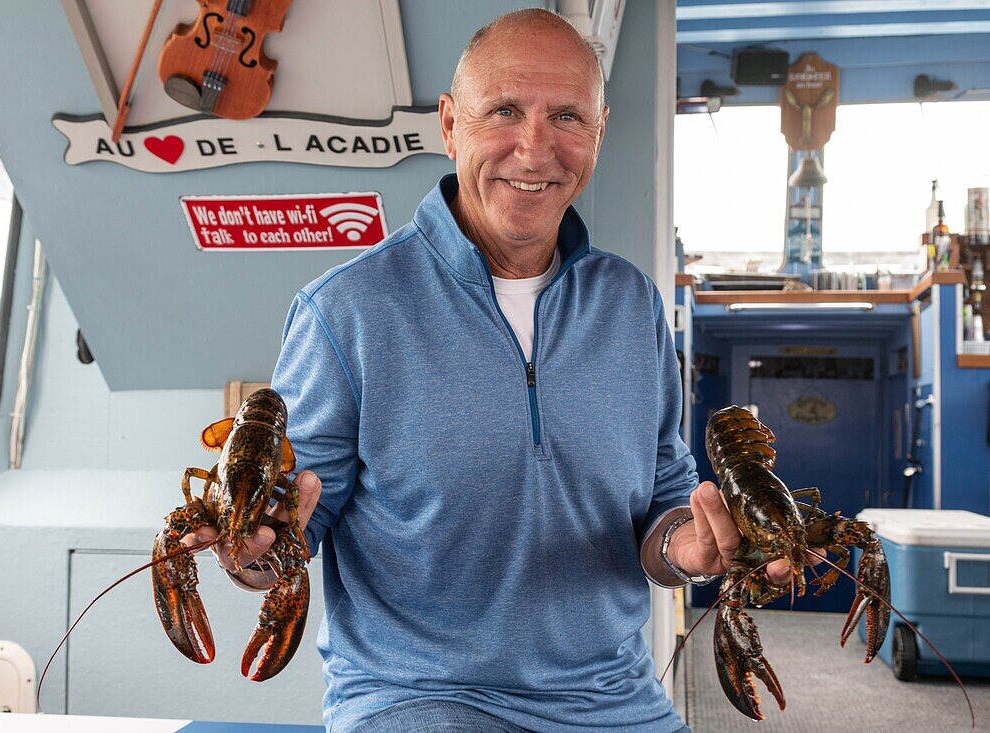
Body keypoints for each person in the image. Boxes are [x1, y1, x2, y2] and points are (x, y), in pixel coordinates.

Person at [188, 9, 807, 732]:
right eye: (505, 110)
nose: (534, 147)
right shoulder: (345, 309)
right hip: (419, 699)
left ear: (599, 132)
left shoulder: (633, 304)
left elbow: (660, 510)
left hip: (613, 700)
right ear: (449, 125)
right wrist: (250, 555)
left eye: (567, 116)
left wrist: (687, 546)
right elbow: (292, 531)